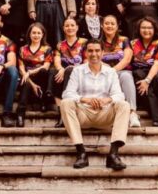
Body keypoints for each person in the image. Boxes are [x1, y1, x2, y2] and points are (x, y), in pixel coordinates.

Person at [60, 39, 129, 171]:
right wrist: (84, 99)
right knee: (66, 103)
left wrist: (107, 100)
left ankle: (113, 155)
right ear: (85, 53)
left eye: (97, 50)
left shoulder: (111, 72)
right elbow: (67, 93)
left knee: (124, 105)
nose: (94, 54)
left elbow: (119, 95)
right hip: (84, 114)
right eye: (90, 51)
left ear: (103, 53)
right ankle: (81, 152)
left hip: (105, 114)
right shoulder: (77, 71)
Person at [130, 17, 158, 126]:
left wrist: (147, 80)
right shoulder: (133, 43)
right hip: (138, 75)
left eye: (149, 28)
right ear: (138, 29)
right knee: (138, 74)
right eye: (143, 27)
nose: (146, 30)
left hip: (155, 73)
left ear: (154, 29)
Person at [100, 14, 139, 127]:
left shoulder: (124, 40)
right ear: (102, 26)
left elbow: (127, 59)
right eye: (107, 23)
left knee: (126, 76)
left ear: (117, 26)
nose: (109, 26)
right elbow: (94, 58)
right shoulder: (98, 42)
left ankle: (132, 113)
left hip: (122, 71)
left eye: (112, 23)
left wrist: (114, 70)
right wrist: (108, 71)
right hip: (104, 72)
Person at [50, 17, 88, 127]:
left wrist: (67, 69)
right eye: (67, 26)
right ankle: (61, 113)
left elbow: (86, 62)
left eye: (72, 25)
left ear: (77, 27)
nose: (69, 28)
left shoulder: (84, 42)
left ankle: (66, 111)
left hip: (80, 72)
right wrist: (61, 69)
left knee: (69, 70)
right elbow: (57, 61)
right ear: (63, 28)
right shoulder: (60, 45)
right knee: (54, 71)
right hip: (63, 75)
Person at [17, 23, 55, 127]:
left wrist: (30, 72)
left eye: (39, 33)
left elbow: (46, 67)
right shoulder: (22, 49)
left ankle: (44, 101)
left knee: (43, 72)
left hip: (40, 77)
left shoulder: (47, 49)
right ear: (29, 34)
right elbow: (21, 68)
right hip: (27, 79)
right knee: (25, 82)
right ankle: (20, 114)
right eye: (34, 32)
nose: (36, 35)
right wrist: (29, 79)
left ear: (43, 35)